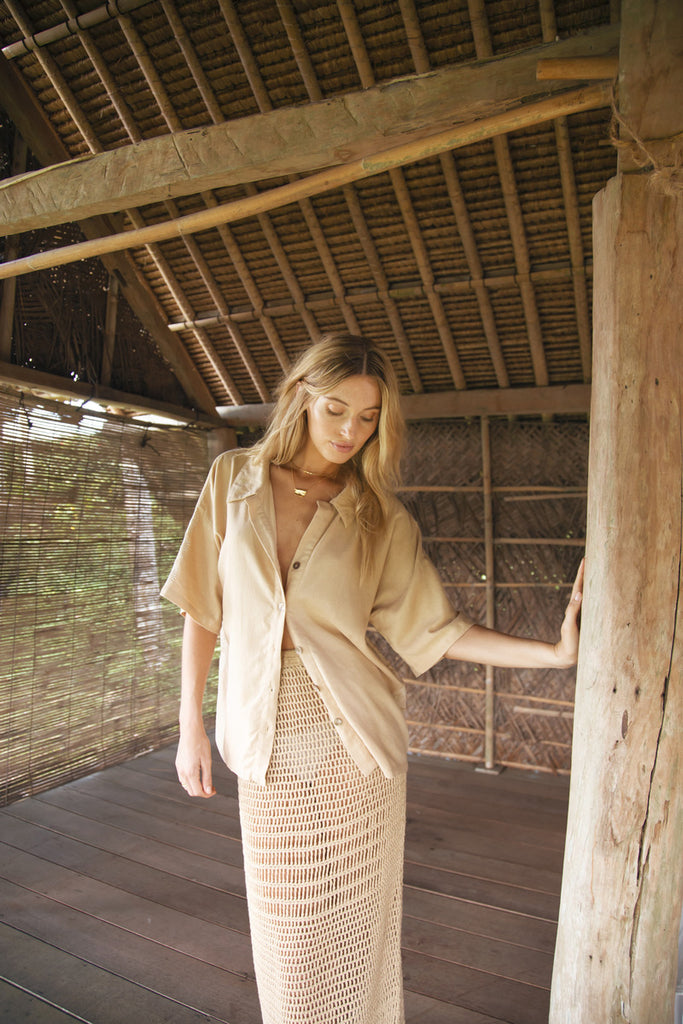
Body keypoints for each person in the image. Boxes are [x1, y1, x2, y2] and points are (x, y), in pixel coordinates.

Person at [161, 332, 583, 1024]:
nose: (351, 431)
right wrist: (190, 728)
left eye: (367, 418)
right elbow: (201, 609)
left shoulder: (378, 516)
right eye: (337, 410)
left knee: (357, 928)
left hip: (354, 741)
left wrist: (552, 654)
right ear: (301, 396)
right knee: (287, 929)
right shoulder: (231, 481)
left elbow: (434, 631)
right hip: (261, 731)